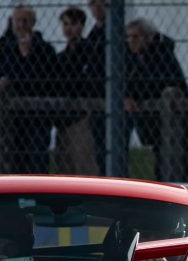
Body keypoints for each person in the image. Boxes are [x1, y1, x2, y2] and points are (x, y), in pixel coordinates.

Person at [125, 18, 188, 181]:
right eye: (128, 37)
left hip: (177, 122)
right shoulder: (135, 58)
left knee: (181, 164)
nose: (131, 41)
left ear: (148, 37)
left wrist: (134, 96)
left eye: (135, 37)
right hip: (156, 124)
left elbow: (154, 83)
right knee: (162, 165)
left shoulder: (161, 55)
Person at [0, 5, 57, 174]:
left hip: (37, 116)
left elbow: (42, 80)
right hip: (11, 118)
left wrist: (27, 56)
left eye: (25, 20)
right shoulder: (4, 47)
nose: (20, 25)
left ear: (33, 23)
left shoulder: (45, 49)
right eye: (17, 21)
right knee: (13, 160)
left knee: (37, 160)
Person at [55, 7, 100, 175]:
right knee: (64, 164)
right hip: (63, 117)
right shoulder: (61, 57)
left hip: (82, 116)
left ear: (81, 25)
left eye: (72, 24)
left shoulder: (90, 52)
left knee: (83, 164)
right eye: (65, 24)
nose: (68, 29)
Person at [86, 0, 108, 174]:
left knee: (111, 146)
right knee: (100, 149)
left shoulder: (115, 31)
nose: (97, 7)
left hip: (108, 96)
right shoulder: (94, 34)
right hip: (96, 98)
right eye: (93, 3)